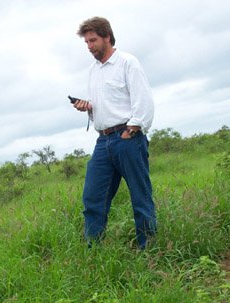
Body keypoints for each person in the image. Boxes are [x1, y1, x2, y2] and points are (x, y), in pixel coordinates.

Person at [73, 17, 156, 249]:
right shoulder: (93, 71)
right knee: (92, 198)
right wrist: (88, 108)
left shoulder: (127, 62)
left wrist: (133, 129)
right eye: (86, 42)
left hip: (127, 139)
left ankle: (148, 251)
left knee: (140, 197)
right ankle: (94, 252)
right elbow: (104, 106)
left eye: (93, 40)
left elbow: (143, 99)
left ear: (107, 37)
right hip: (103, 141)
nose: (89, 46)